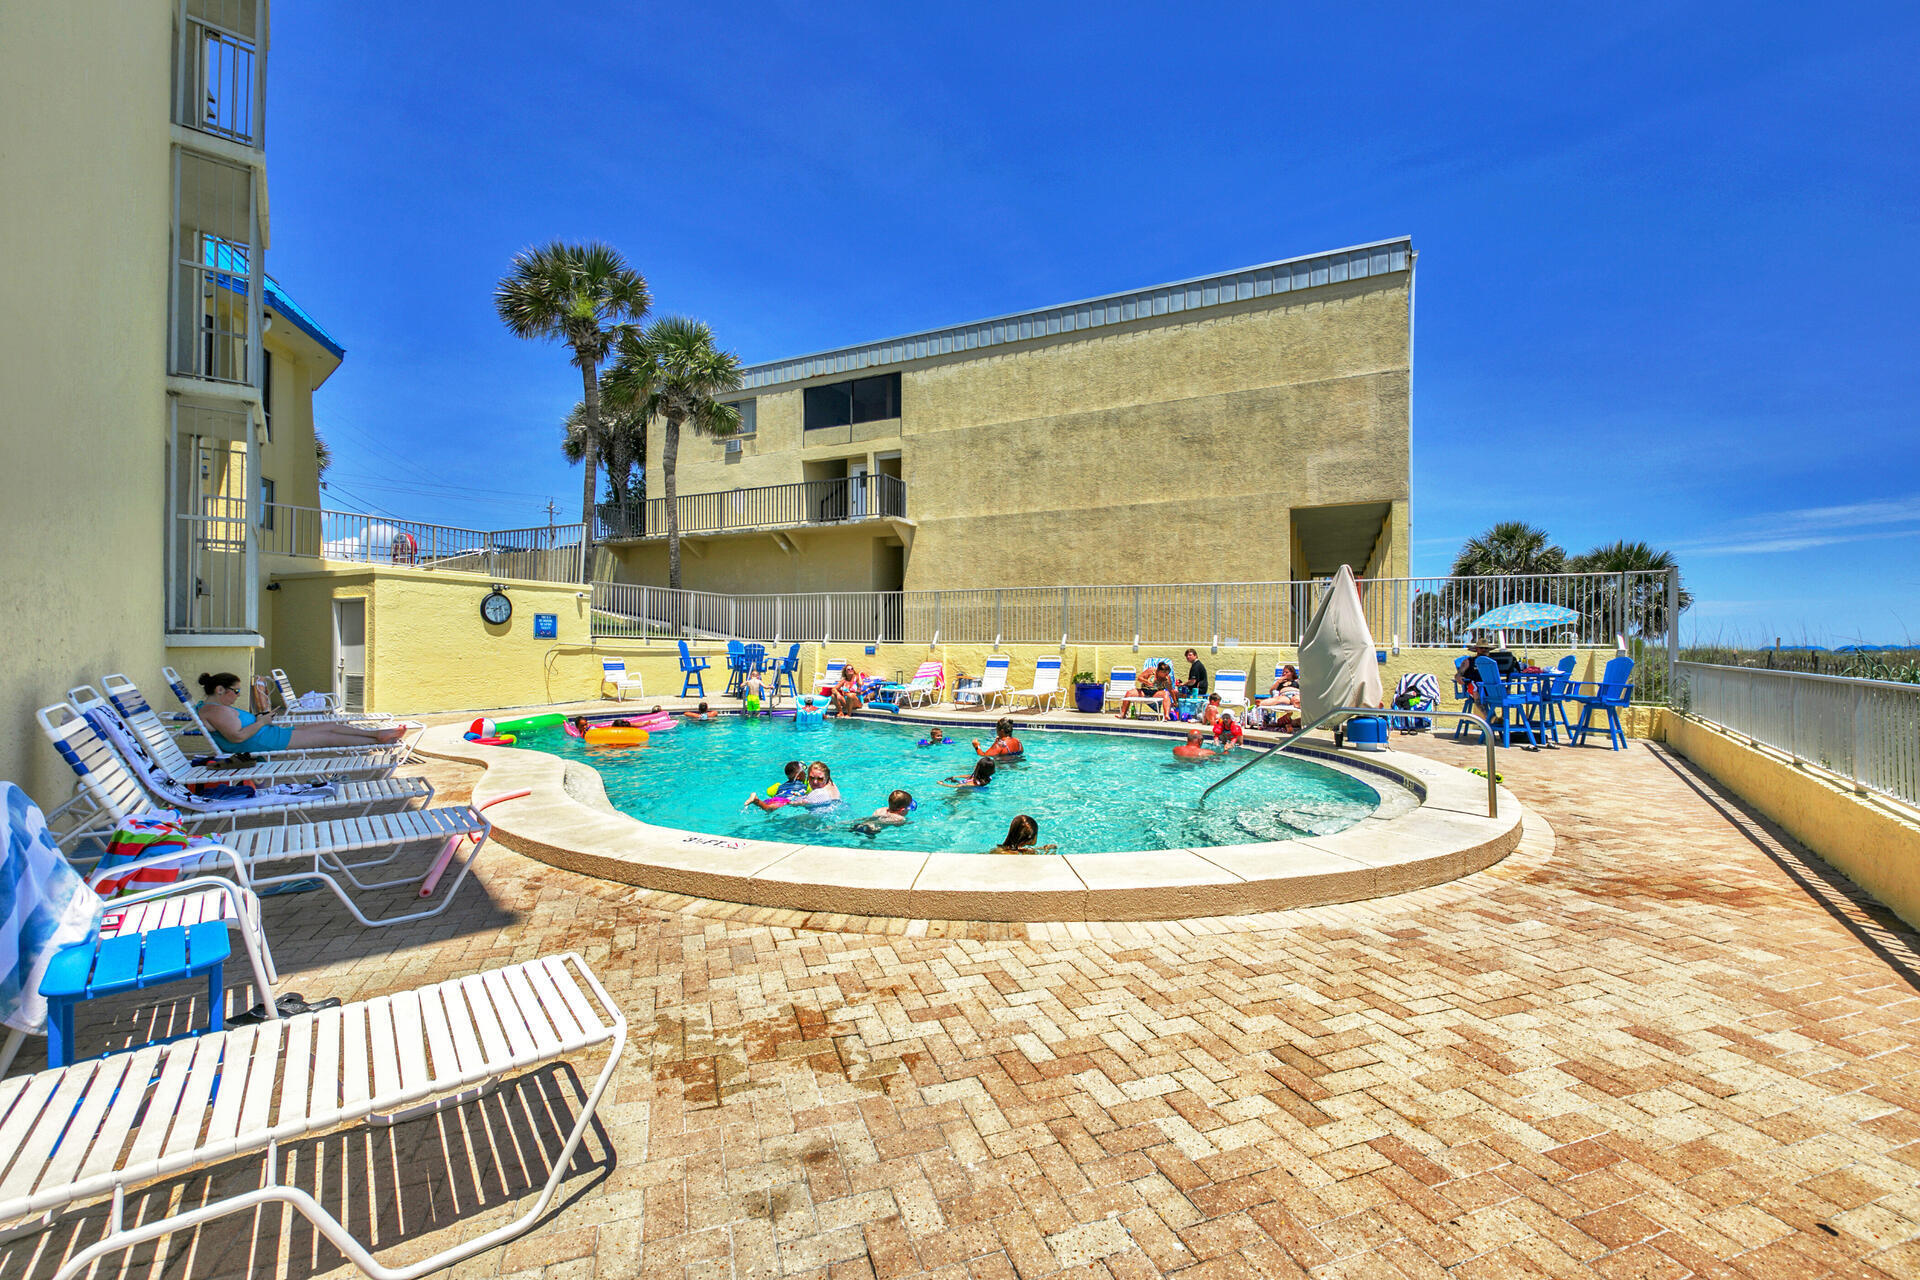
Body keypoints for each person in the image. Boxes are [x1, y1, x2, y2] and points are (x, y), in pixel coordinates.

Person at [196, 671, 405, 753]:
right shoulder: (215, 711)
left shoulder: (216, 709)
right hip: (268, 741)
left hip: (269, 734)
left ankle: (376, 734)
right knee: (328, 738)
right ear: (220, 690)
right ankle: (378, 741)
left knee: (330, 725)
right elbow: (237, 737)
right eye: (236, 691)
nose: (238, 695)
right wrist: (261, 722)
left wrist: (261, 719)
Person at [991, 814, 1057, 855]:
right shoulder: (1016, 854)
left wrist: (1043, 848)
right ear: (1030, 839)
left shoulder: (1001, 849)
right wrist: (1048, 853)